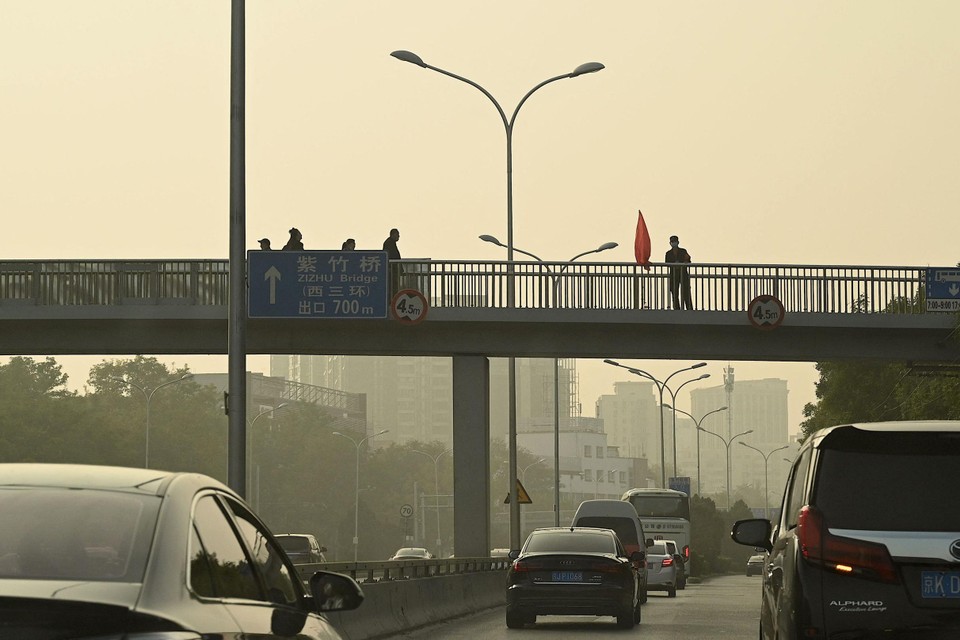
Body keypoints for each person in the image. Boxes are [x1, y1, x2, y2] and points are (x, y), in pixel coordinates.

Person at [665, 235, 693, 310]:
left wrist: (683, 262)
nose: (674, 243)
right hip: (674, 275)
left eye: (675, 242)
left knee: (686, 291)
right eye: (672, 242)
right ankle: (676, 308)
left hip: (683, 274)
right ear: (670, 243)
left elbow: (688, 261)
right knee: (674, 292)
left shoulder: (683, 251)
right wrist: (674, 265)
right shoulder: (668, 253)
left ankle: (689, 308)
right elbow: (667, 263)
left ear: (678, 242)